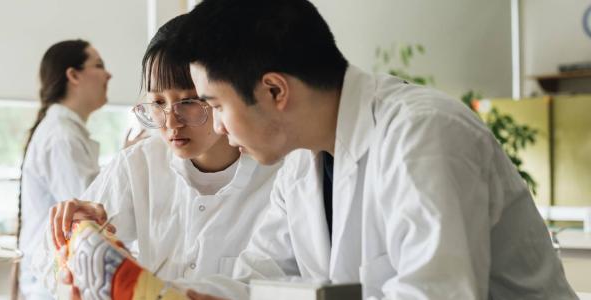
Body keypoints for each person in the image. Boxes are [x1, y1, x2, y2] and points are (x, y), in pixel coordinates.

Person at [167, 0, 578, 299]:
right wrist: (153, 288)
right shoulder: (301, 160)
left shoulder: (423, 135)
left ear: (275, 90)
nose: (218, 126)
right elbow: (258, 280)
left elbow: (435, 293)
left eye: (217, 105)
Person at [29, 15, 281, 297]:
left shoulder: (280, 173)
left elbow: (281, 283)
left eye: (189, 102)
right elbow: (45, 260)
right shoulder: (140, 163)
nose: (171, 122)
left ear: (222, 94)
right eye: (158, 102)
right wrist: (72, 246)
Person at [16, 39, 111, 300]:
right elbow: (91, 211)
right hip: (53, 283)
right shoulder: (62, 137)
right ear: (73, 75)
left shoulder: (63, 131)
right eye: (99, 65)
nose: (109, 74)